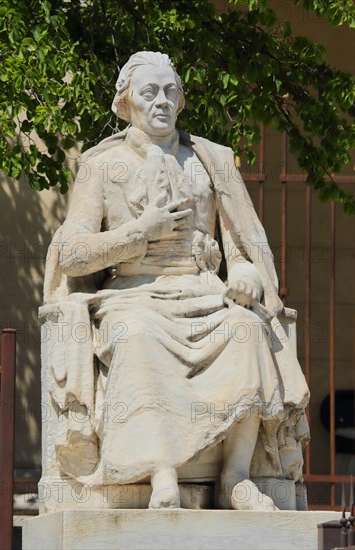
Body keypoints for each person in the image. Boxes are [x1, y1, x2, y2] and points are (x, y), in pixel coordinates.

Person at [42, 51, 309, 510]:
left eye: (171, 91)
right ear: (125, 103)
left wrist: (244, 273)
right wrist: (136, 235)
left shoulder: (212, 161)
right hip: (134, 294)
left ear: (181, 101)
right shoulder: (100, 165)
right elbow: (71, 253)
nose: (162, 101)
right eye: (149, 92)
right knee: (138, 334)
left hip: (204, 291)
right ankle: (161, 473)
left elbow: (242, 248)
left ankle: (237, 477)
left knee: (245, 330)